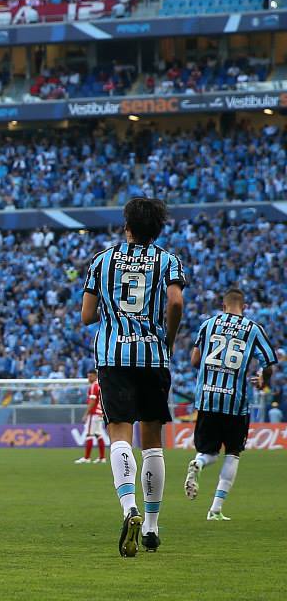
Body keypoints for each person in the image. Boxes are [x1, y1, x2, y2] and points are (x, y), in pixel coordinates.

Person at [81, 197, 185, 557]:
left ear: (127, 225)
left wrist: (114, 312)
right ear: (158, 228)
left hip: (112, 356)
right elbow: (175, 303)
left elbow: (86, 314)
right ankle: (153, 528)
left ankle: (129, 509)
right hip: (153, 355)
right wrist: (166, 339)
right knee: (152, 440)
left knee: (120, 435)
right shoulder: (168, 261)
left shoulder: (102, 260)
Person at [184, 288, 278, 520]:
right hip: (234, 402)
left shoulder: (208, 324)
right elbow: (269, 362)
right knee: (232, 453)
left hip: (207, 398)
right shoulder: (253, 329)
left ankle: (198, 462)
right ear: (244, 307)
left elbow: (195, 360)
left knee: (208, 452)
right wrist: (263, 379)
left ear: (222, 306)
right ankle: (215, 509)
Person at [75, 369, 106, 464]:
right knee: (98, 434)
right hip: (100, 413)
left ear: (95, 376)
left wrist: (86, 414)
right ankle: (102, 458)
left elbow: (92, 402)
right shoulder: (100, 385)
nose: (88, 378)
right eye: (88, 376)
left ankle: (87, 458)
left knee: (89, 434)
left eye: (90, 376)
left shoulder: (94, 386)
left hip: (94, 414)